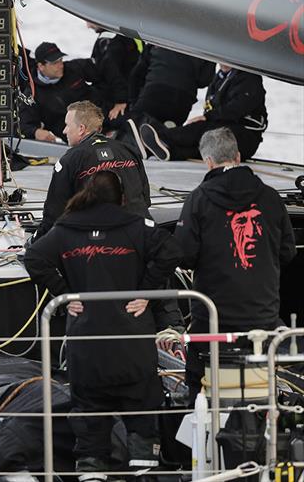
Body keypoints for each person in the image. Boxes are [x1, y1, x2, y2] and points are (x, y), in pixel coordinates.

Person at [25, 170, 182, 480]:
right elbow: (172, 252)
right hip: (132, 341)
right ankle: (143, 467)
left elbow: (33, 258)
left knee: (88, 412)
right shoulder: (137, 227)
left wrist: (64, 293)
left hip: (87, 343)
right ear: (122, 198)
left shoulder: (65, 230)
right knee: (141, 409)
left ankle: (92, 469)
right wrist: (146, 293)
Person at [173, 128, 296, 403]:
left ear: (208, 162)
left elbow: (184, 254)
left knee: (196, 381)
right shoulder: (270, 197)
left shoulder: (199, 199)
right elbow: (287, 251)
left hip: (214, 321)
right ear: (238, 156)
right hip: (262, 318)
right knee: (262, 384)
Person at [34, 100, 150, 239]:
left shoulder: (70, 159)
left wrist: (34, 241)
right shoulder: (129, 150)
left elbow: (53, 215)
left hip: (100, 242)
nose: (64, 130)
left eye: (67, 125)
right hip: (141, 234)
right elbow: (145, 200)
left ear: (81, 128)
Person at [135, 64, 268, 161]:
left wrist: (207, 117)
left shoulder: (249, 78)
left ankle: (163, 136)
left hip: (245, 137)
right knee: (202, 143)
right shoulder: (220, 78)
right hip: (226, 134)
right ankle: (169, 151)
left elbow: (237, 108)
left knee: (203, 128)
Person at [19, 42, 127, 142]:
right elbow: (24, 124)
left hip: (105, 117)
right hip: (79, 137)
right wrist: (35, 132)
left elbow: (106, 67)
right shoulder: (32, 93)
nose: (60, 65)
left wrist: (120, 100)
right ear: (41, 66)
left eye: (61, 60)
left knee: (130, 121)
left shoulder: (74, 68)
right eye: (55, 63)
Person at [126, 45, 214, 129]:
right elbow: (204, 80)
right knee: (169, 136)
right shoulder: (205, 43)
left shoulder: (162, 36)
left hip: (154, 91)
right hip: (182, 99)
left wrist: (133, 103)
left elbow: (137, 74)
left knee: (134, 128)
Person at [87, 22, 141, 121]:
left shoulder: (107, 41)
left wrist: (121, 100)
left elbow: (112, 70)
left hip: (122, 97)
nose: (88, 26)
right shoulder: (124, 32)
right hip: (135, 88)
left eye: (89, 21)